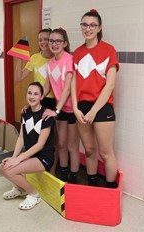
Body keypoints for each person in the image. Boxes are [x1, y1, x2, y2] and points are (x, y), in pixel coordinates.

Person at [71, 9, 119, 188]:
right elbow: (73, 84)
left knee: (106, 153)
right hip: (82, 109)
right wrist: (75, 108)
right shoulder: (77, 52)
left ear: (99, 28)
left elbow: (110, 85)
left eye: (92, 25)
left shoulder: (108, 50)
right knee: (90, 151)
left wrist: (93, 111)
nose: (88, 28)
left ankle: (110, 191)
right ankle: (92, 187)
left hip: (102, 107)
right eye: (84, 24)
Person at [0, 82, 55, 210]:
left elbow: (40, 145)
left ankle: (34, 195)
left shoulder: (46, 116)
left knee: (9, 170)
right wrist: (13, 157)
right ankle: (20, 189)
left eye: (36, 94)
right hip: (29, 156)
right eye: (29, 93)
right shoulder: (25, 112)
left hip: (43, 158)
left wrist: (18, 160)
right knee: (2, 168)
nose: (32, 96)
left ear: (41, 97)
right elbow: (21, 138)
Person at [15, 28, 58, 175]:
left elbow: (51, 85)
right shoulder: (34, 58)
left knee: (53, 141)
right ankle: (35, 167)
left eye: (47, 39)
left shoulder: (55, 59)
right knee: (35, 136)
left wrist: (36, 101)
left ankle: (51, 171)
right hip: (38, 99)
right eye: (40, 39)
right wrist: (20, 58)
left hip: (52, 102)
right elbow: (18, 77)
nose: (44, 42)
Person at [43, 28, 80, 184]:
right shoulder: (50, 64)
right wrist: (34, 100)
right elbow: (47, 87)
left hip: (72, 109)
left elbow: (67, 89)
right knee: (61, 143)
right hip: (60, 109)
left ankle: (74, 178)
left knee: (72, 146)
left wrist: (56, 109)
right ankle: (63, 174)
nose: (54, 44)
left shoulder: (69, 59)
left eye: (58, 41)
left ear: (65, 43)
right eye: (52, 41)